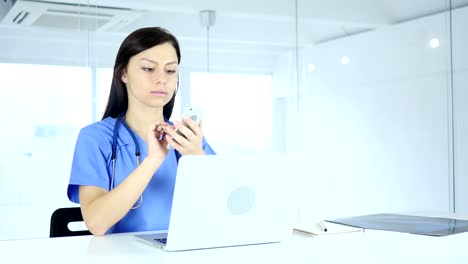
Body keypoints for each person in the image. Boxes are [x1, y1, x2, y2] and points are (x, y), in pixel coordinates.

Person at [67, 27, 216, 236]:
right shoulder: (95, 138)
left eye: (170, 70)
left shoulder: (189, 141)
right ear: (124, 73)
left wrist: (197, 160)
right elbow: (97, 223)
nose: (161, 79)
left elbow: (224, 210)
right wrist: (153, 160)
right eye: (148, 68)